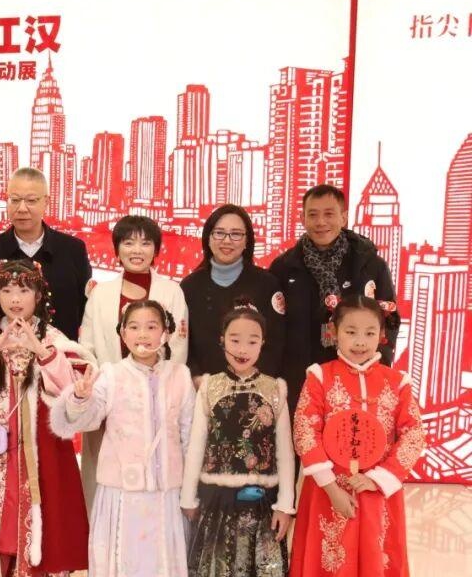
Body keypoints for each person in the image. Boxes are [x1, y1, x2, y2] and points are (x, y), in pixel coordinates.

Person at [0, 259, 92, 576]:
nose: (14, 299)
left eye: (24, 291)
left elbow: (73, 394)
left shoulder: (54, 340)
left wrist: (41, 351)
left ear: (39, 295)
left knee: (44, 521)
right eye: (7, 290)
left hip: (44, 449)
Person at [51, 300, 194, 577]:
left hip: (167, 495)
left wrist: (192, 491)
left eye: (151, 327)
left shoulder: (180, 376)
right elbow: (87, 419)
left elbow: (189, 435)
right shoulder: (111, 375)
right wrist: (80, 398)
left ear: (165, 332)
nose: (143, 334)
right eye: (134, 327)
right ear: (123, 334)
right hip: (121, 495)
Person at [290, 295, 426, 577]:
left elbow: (413, 434)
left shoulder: (397, 382)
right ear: (333, 332)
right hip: (328, 491)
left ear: (382, 335)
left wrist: (378, 479)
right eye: (351, 332)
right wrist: (331, 487)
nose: (360, 342)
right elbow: (305, 430)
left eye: (369, 333)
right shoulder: (319, 377)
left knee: (376, 558)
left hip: (377, 493)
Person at [78, 215, 188, 508]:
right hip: (108, 406)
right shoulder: (100, 294)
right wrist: (103, 391)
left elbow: (178, 348)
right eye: (128, 243)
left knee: (154, 485)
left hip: (156, 404)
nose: (137, 250)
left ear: (156, 249)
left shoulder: (172, 292)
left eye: (145, 243)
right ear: (117, 249)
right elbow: (87, 349)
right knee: (107, 487)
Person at [179, 300, 294, 576]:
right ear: (222, 341)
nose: (243, 350)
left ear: (262, 343)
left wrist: (285, 506)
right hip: (216, 502)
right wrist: (188, 498)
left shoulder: (275, 389)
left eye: (252, 342)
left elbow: (285, 453)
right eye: (235, 340)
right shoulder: (209, 386)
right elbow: (196, 446)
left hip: (262, 504)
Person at [269, 184, 399, 412]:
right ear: (302, 219)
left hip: (356, 381)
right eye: (313, 215)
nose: (321, 222)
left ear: (344, 218)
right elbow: (272, 327)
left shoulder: (369, 265)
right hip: (299, 383)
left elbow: (389, 320)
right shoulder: (284, 267)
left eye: (329, 214)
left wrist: (377, 368)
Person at [0, 167, 91, 339]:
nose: (22, 208)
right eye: (14, 200)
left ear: (46, 202)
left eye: (31, 200)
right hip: (5, 351)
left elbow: (85, 310)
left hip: (62, 351)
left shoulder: (73, 250)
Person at [181, 205, 285, 383]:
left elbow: (276, 343)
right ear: (208, 238)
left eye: (236, 234)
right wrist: (197, 379)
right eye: (219, 233)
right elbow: (182, 343)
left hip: (254, 388)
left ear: (247, 241)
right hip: (202, 388)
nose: (227, 240)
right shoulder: (189, 286)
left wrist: (253, 382)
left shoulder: (267, 284)